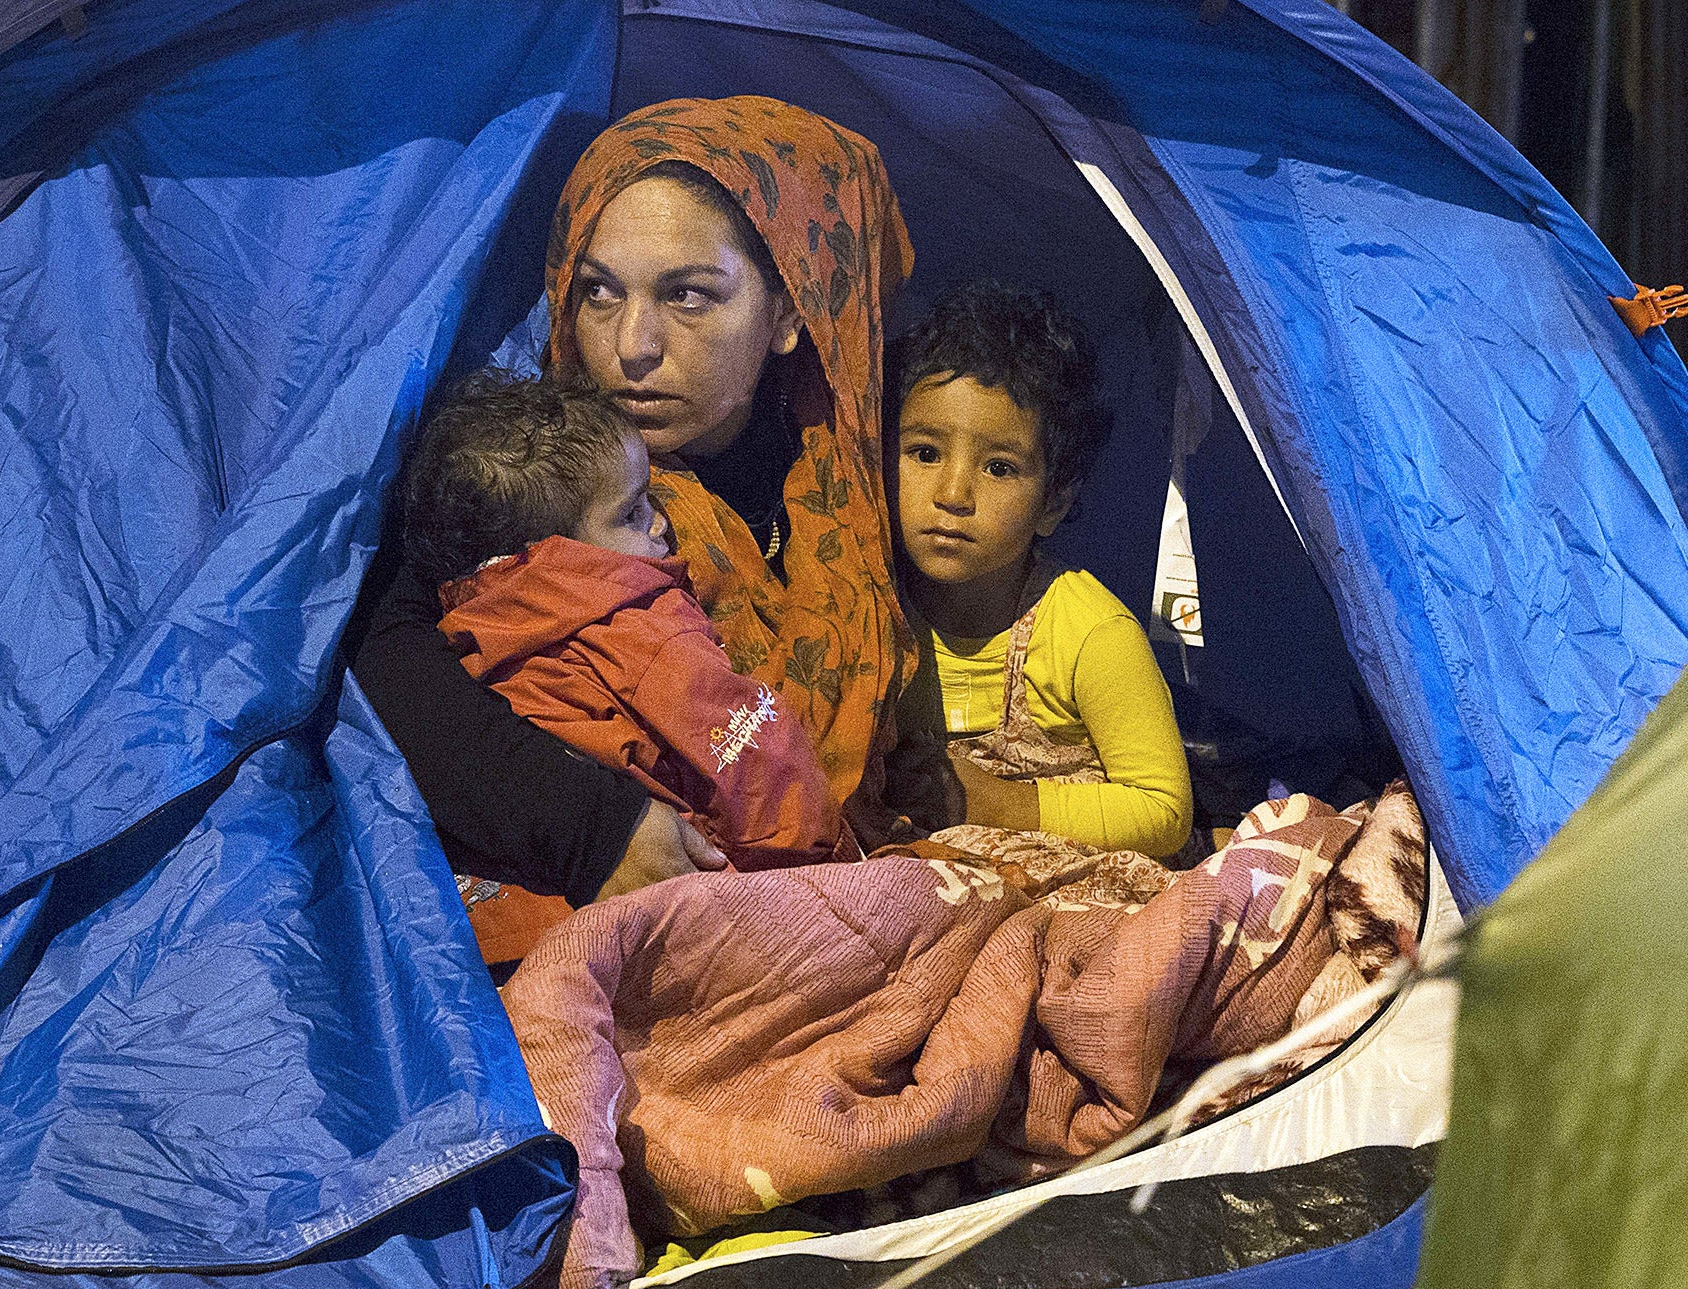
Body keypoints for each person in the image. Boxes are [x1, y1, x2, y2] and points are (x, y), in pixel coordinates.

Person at [349, 96, 915, 914]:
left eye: (688, 296)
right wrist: (593, 827)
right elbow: (387, 653)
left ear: (790, 311)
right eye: (598, 293)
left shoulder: (850, 487)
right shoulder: (535, 474)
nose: (631, 346)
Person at [402, 371, 847, 962]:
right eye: (632, 513)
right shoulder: (642, 629)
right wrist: (828, 866)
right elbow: (757, 760)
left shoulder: (468, 638)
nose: (660, 523)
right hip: (704, 917)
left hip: (511, 937)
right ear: (558, 556)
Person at [891, 282, 1193, 859]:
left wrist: (999, 806)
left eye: (999, 467)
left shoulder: (1089, 632)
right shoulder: (874, 606)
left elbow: (1164, 811)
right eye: (925, 453)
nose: (953, 494)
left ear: (1052, 503)